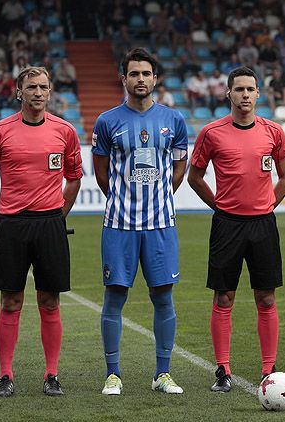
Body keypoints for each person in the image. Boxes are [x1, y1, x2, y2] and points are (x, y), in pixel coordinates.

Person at [0, 66, 83, 397]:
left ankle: (52, 375)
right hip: (12, 224)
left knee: (50, 301)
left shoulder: (65, 131)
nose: (38, 92)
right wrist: (3, 220)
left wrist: (58, 216)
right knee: (10, 301)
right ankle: (5, 375)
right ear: (19, 92)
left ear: (50, 91)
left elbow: (74, 178)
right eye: (32, 87)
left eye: (43, 87)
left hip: (50, 224)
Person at [187, 66, 285, 392]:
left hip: (263, 224)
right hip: (227, 225)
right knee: (224, 296)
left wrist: (269, 204)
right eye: (239, 90)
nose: (245, 95)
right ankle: (223, 369)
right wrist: (219, 205)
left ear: (258, 93)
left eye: (250, 89)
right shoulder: (211, 133)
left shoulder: (273, 132)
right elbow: (194, 177)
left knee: (266, 297)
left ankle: (269, 369)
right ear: (228, 93)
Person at [91, 48, 188, 396]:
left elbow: (179, 165)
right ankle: (113, 374)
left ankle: (163, 373)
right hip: (119, 225)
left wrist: (160, 196)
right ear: (124, 79)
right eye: (134, 74)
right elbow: (101, 172)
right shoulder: (107, 121)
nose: (141, 79)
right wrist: (123, 200)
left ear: (155, 78)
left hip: (161, 224)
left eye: (146, 73)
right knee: (114, 297)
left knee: (163, 298)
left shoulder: (174, 120)